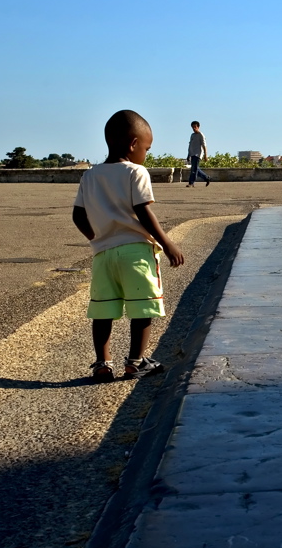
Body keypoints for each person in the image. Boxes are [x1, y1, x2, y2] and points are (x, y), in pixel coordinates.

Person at [73, 110, 185, 382]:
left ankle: (102, 363)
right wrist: (166, 242)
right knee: (143, 308)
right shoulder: (136, 171)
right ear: (133, 144)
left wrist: (99, 237)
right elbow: (143, 211)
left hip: (103, 255)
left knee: (103, 310)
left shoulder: (90, 176)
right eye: (147, 148)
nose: (146, 153)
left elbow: (78, 215)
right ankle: (136, 362)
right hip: (136, 251)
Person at [186, 120, 210, 187]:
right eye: (192, 127)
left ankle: (191, 182)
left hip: (198, 154)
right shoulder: (192, 135)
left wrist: (205, 155)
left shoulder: (201, 135)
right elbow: (190, 145)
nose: (194, 128)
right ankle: (206, 178)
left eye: (195, 127)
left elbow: (204, 145)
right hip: (192, 154)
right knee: (196, 169)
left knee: (194, 169)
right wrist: (188, 155)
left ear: (198, 127)